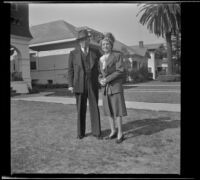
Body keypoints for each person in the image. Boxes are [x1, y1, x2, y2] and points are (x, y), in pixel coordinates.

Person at [68, 29, 102, 140]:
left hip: (92, 83)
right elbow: (70, 70)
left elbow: (101, 67)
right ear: (79, 41)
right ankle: (80, 133)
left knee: (94, 107)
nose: (83, 41)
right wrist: (70, 85)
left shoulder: (95, 51)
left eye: (85, 39)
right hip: (79, 84)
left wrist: (102, 78)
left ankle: (96, 132)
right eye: (81, 40)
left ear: (88, 39)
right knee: (80, 109)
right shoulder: (73, 53)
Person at [99, 32, 127, 144]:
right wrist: (100, 80)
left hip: (115, 87)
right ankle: (113, 131)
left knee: (117, 111)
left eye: (107, 44)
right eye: (103, 45)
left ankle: (120, 133)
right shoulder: (100, 59)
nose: (105, 46)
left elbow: (120, 70)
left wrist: (107, 79)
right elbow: (100, 73)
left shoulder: (117, 55)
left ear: (111, 45)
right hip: (105, 89)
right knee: (109, 111)